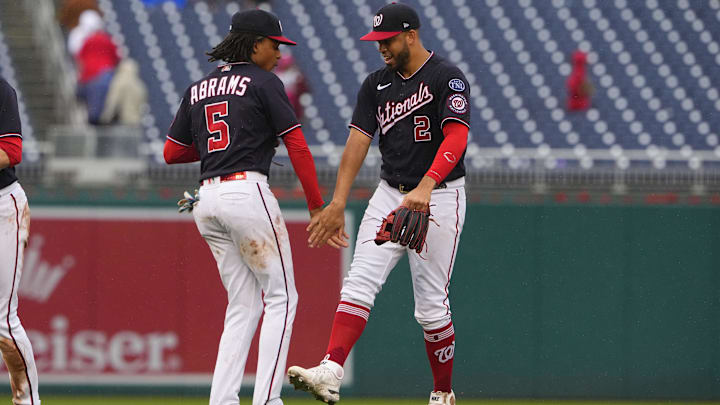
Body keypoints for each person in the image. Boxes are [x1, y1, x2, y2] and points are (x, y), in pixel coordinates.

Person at [287, 3, 470, 405]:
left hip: (440, 195)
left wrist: (426, 185)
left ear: (411, 35)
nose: (381, 48)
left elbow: (456, 137)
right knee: (359, 282)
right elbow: (358, 141)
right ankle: (330, 371)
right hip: (390, 191)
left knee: (431, 308)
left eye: (387, 40)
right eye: (377, 42)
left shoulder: (446, 77)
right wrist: (337, 202)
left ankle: (442, 393)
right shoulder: (376, 84)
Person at [163, 9, 324, 405]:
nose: (278, 55)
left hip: (206, 199)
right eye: (274, 46)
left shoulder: (199, 86)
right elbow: (298, 145)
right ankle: (268, 399)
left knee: (243, 304)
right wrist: (317, 206)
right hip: (246, 193)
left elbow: (171, 152)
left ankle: (222, 400)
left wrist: (225, 143)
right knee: (283, 297)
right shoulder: (265, 82)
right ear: (255, 44)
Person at [0, 77, 41, 405]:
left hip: (3, 206)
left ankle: (28, 402)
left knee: (2, 321)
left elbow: (10, 151)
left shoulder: (1, 89)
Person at [69, 10, 120, 125]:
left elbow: (79, 59)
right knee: (104, 108)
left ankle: (96, 121)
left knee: (93, 111)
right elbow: (117, 57)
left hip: (90, 78)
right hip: (104, 75)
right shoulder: (106, 40)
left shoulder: (87, 41)